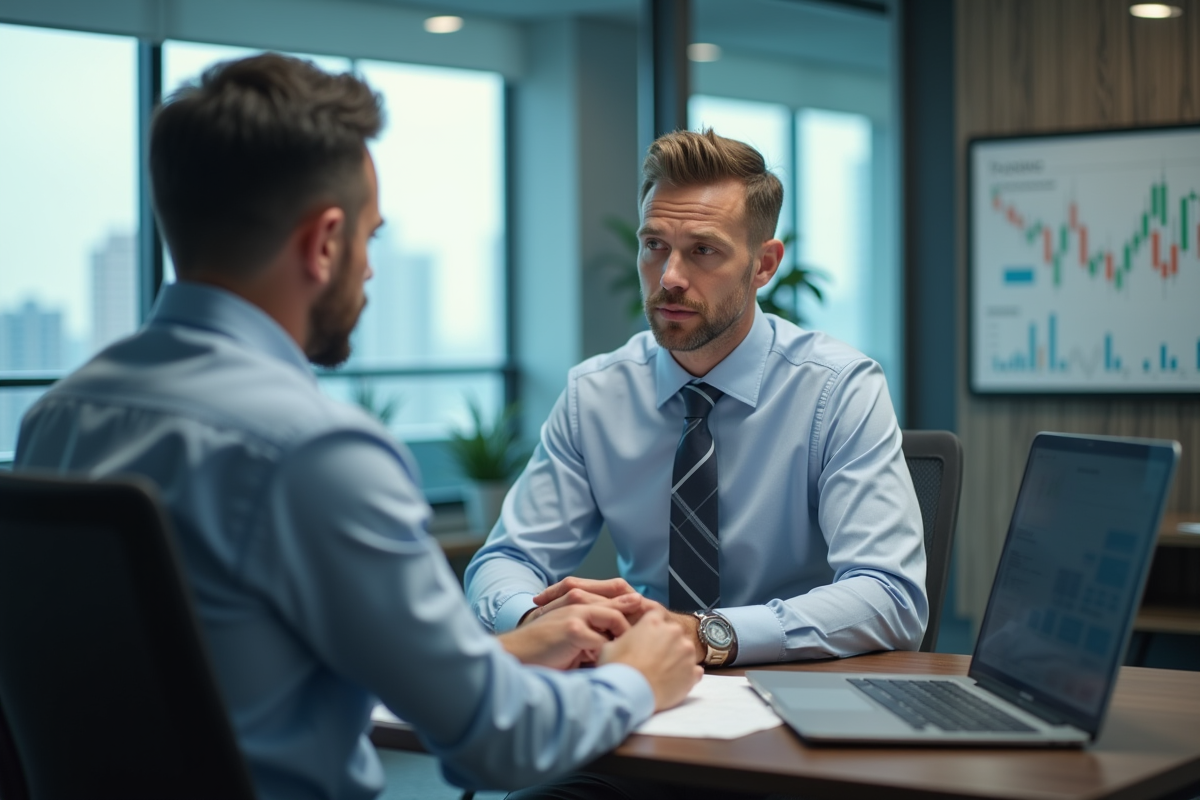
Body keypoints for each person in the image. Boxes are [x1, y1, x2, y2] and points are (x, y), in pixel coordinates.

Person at [14, 54, 701, 800]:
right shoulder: (318, 452)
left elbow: (236, 670)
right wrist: (640, 677)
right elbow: (500, 749)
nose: (370, 271)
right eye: (371, 240)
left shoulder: (57, 418)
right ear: (325, 242)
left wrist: (496, 654)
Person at [466, 128, 927, 672]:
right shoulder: (596, 394)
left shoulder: (839, 388)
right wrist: (532, 622)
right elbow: (507, 560)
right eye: (654, 245)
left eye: (703, 251)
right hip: (637, 687)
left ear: (764, 264)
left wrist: (704, 634)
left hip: (797, 681)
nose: (670, 278)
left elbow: (889, 594)